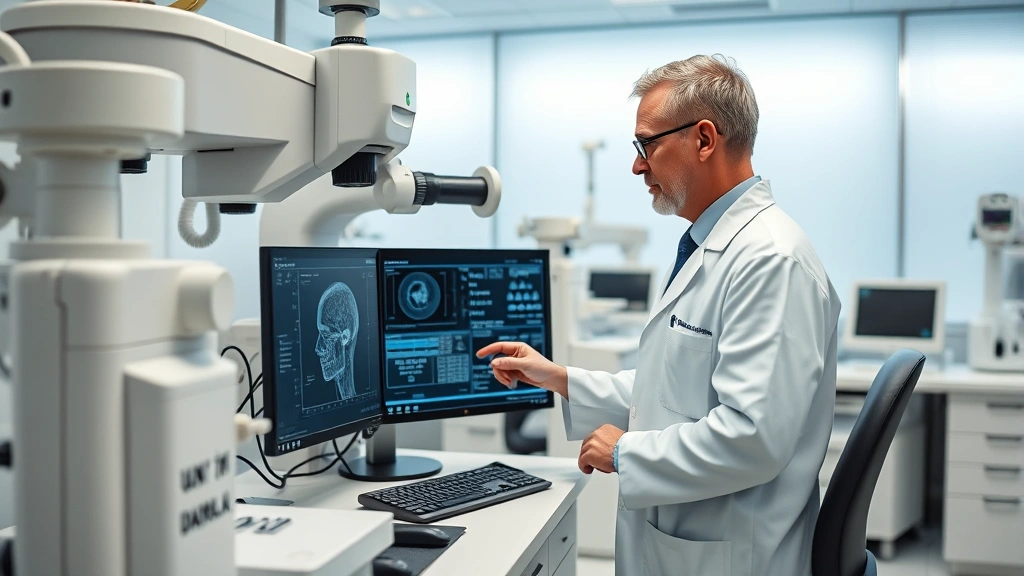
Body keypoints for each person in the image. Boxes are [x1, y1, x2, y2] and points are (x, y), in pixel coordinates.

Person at [477, 54, 841, 576]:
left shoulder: (770, 260)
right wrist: (560, 378)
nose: (637, 164)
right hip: (695, 540)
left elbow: (753, 438)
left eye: (647, 144)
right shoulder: (711, 246)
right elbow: (673, 395)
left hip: (733, 555)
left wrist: (627, 452)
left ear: (704, 139)